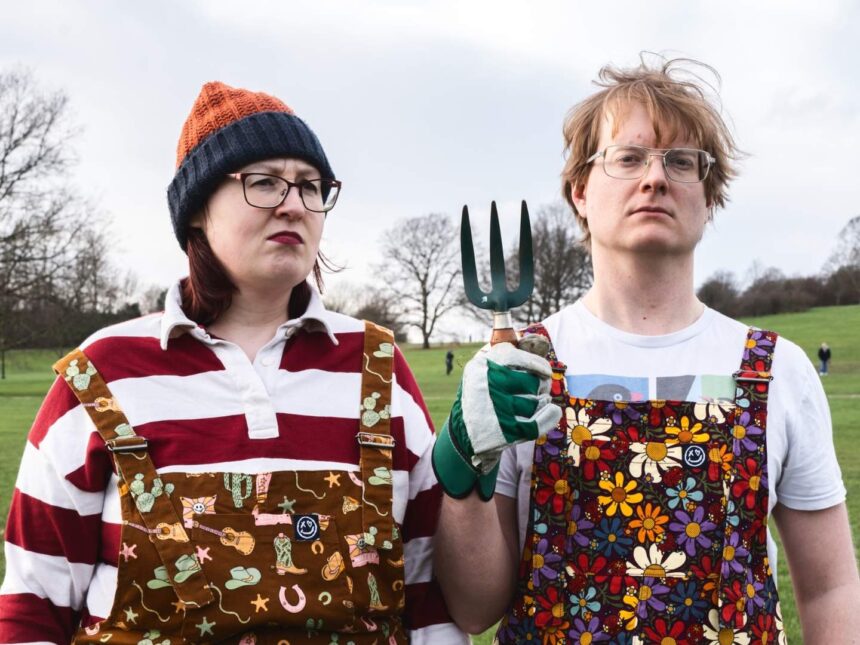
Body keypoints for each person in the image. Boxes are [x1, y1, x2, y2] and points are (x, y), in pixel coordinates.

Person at [0, 82, 466, 644]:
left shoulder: (379, 369)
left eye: (311, 186)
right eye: (264, 182)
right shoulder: (103, 374)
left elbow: (426, 599)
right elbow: (32, 608)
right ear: (197, 210)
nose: (294, 203)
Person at [431, 57, 860, 643]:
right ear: (580, 191)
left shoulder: (775, 369)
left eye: (681, 162)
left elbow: (831, 584)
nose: (655, 178)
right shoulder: (523, 370)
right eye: (628, 158)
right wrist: (466, 461)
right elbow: (476, 608)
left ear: (708, 196)